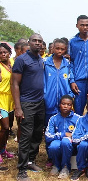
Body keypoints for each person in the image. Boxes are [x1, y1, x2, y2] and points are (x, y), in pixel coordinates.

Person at [11, 33, 45, 181]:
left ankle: (31, 160)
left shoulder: (40, 59)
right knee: (26, 136)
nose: (37, 43)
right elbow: (15, 84)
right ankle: (22, 170)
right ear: (29, 43)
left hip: (40, 102)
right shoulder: (21, 60)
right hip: (26, 103)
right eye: (35, 41)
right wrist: (18, 107)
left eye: (40, 41)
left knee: (37, 134)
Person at [69, 15, 88, 115]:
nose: (85, 27)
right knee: (78, 110)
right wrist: (72, 80)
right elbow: (70, 63)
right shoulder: (72, 42)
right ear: (77, 25)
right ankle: (78, 130)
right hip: (79, 81)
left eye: (87, 25)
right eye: (82, 25)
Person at [45, 95, 80, 179]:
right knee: (54, 145)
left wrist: (70, 137)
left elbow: (79, 135)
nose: (65, 106)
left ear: (72, 106)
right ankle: (56, 165)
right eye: (63, 104)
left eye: (68, 104)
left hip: (72, 146)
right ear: (59, 105)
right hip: (58, 143)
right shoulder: (53, 118)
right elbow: (48, 136)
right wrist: (63, 134)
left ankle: (65, 167)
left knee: (66, 141)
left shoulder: (78, 118)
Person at [44, 38, 74, 127]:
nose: (59, 51)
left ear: (65, 49)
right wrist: (44, 94)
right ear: (53, 48)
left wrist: (70, 93)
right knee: (49, 117)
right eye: (57, 48)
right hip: (49, 96)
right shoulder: (45, 63)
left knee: (63, 115)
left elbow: (70, 77)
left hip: (63, 95)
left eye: (62, 49)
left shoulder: (67, 63)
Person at [0, 43, 15, 172]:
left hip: (10, 99)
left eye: (5, 52)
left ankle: (3, 150)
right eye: (0, 53)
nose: (3, 54)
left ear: (9, 53)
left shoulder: (11, 64)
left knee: (8, 128)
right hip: (0, 100)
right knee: (3, 127)